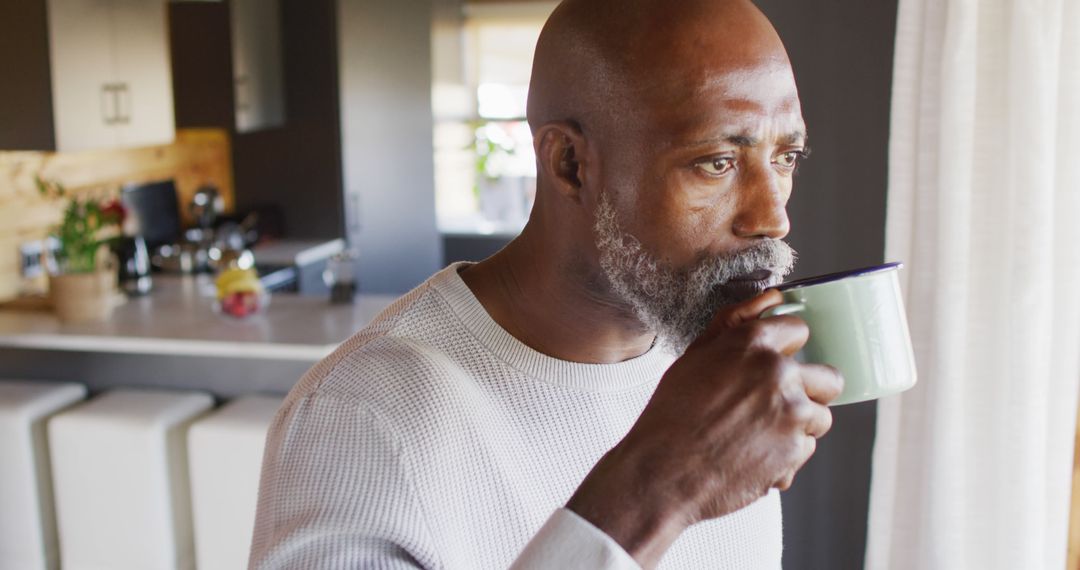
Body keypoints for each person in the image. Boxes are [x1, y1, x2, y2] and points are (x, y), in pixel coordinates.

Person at [248, 0, 842, 568]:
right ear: (570, 165)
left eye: (786, 158)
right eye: (717, 162)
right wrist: (658, 488)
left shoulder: (714, 360)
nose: (772, 218)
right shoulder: (362, 417)